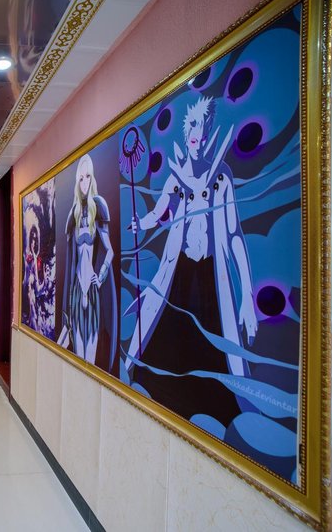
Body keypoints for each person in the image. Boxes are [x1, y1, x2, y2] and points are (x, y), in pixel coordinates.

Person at [126, 95, 258, 424]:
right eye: (193, 126)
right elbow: (160, 212)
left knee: (211, 337)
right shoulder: (177, 177)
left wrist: (247, 296)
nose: (197, 134)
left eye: (203, 127)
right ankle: (163, 391)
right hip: (180, 271)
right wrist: (140, 223)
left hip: (210, 274)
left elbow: (234, 234)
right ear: (186, 132)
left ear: (209, 131)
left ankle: (216, 405)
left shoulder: (220, 177)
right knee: (171, 332)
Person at [58, 154, 116, 367]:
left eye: (88, 177)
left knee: (89, 356)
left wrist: (100, 277)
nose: (84, 182)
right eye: (81, 178)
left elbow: (109, 251)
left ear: (93, 178)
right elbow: (71, 259)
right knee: (77, 353)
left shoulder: (98, 207)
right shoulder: (73, 213)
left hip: (91, 289)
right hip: (76, 289)